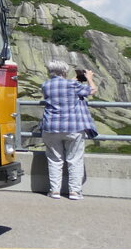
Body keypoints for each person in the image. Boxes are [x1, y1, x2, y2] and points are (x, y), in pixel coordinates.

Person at [39, 60, 96, 200]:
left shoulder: (46, 85)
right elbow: (92, 90)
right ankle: (75, 192)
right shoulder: (73, 85)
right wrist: (89, 78)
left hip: (51, 127)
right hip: (73, 127)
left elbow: (61, 87)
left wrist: (74, 79)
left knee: (54, 160)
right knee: (74, 160)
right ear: (65, 72)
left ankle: (54, 191)